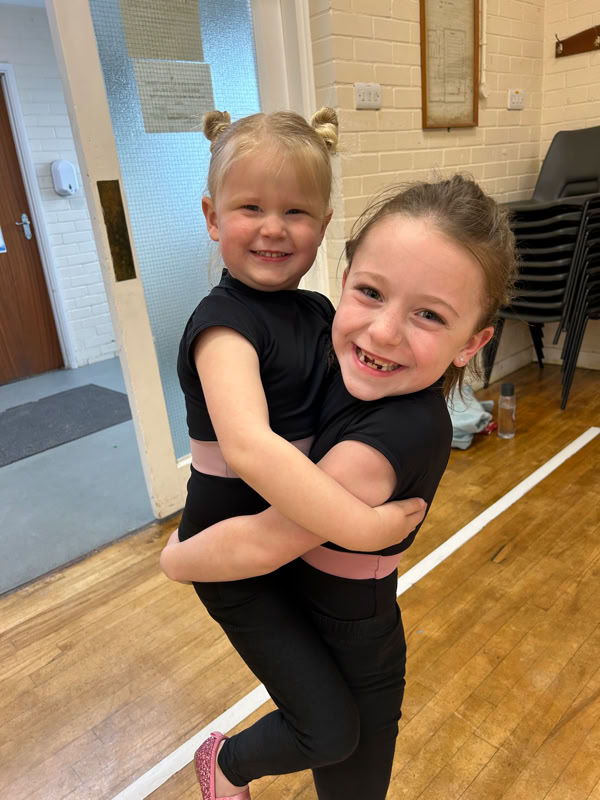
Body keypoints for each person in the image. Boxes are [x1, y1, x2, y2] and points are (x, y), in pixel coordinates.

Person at [162, 174, 518, 799]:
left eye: (429, 315)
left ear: (473, 343)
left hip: (350, 631)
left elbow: (264, 541)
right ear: (344, 278)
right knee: (326, 737)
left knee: (342, 760)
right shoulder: (336, 359)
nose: (383, 333)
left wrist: (175, 560)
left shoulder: (393, 438)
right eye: (371, 293)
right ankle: (228, 764)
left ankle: (227, 763)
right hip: (290, 597)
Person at [170, 108, 430, 800]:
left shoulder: (318, 313)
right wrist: (361, 525)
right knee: (327, 729)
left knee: (345, 711)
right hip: (233, 559)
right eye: (250, 207)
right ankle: (225, 764)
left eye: (296, 211)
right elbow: (250, 447)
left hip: (290, 547)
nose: (274, 228)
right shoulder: (222, 327)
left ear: (325, 222)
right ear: (212, 216)